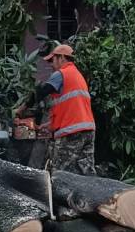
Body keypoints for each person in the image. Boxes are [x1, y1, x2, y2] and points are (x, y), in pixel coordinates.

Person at [19, 43, 96, 175]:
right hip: (88, 131)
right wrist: (51, 125)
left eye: (52, 59)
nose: (51, 64)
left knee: (60, 174)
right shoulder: (78, 77)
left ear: (62, 58)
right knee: (86, 172)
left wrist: (22, 108)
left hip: (72, 133)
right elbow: (71, 109)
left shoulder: (61, 74)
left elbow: (41, 93)